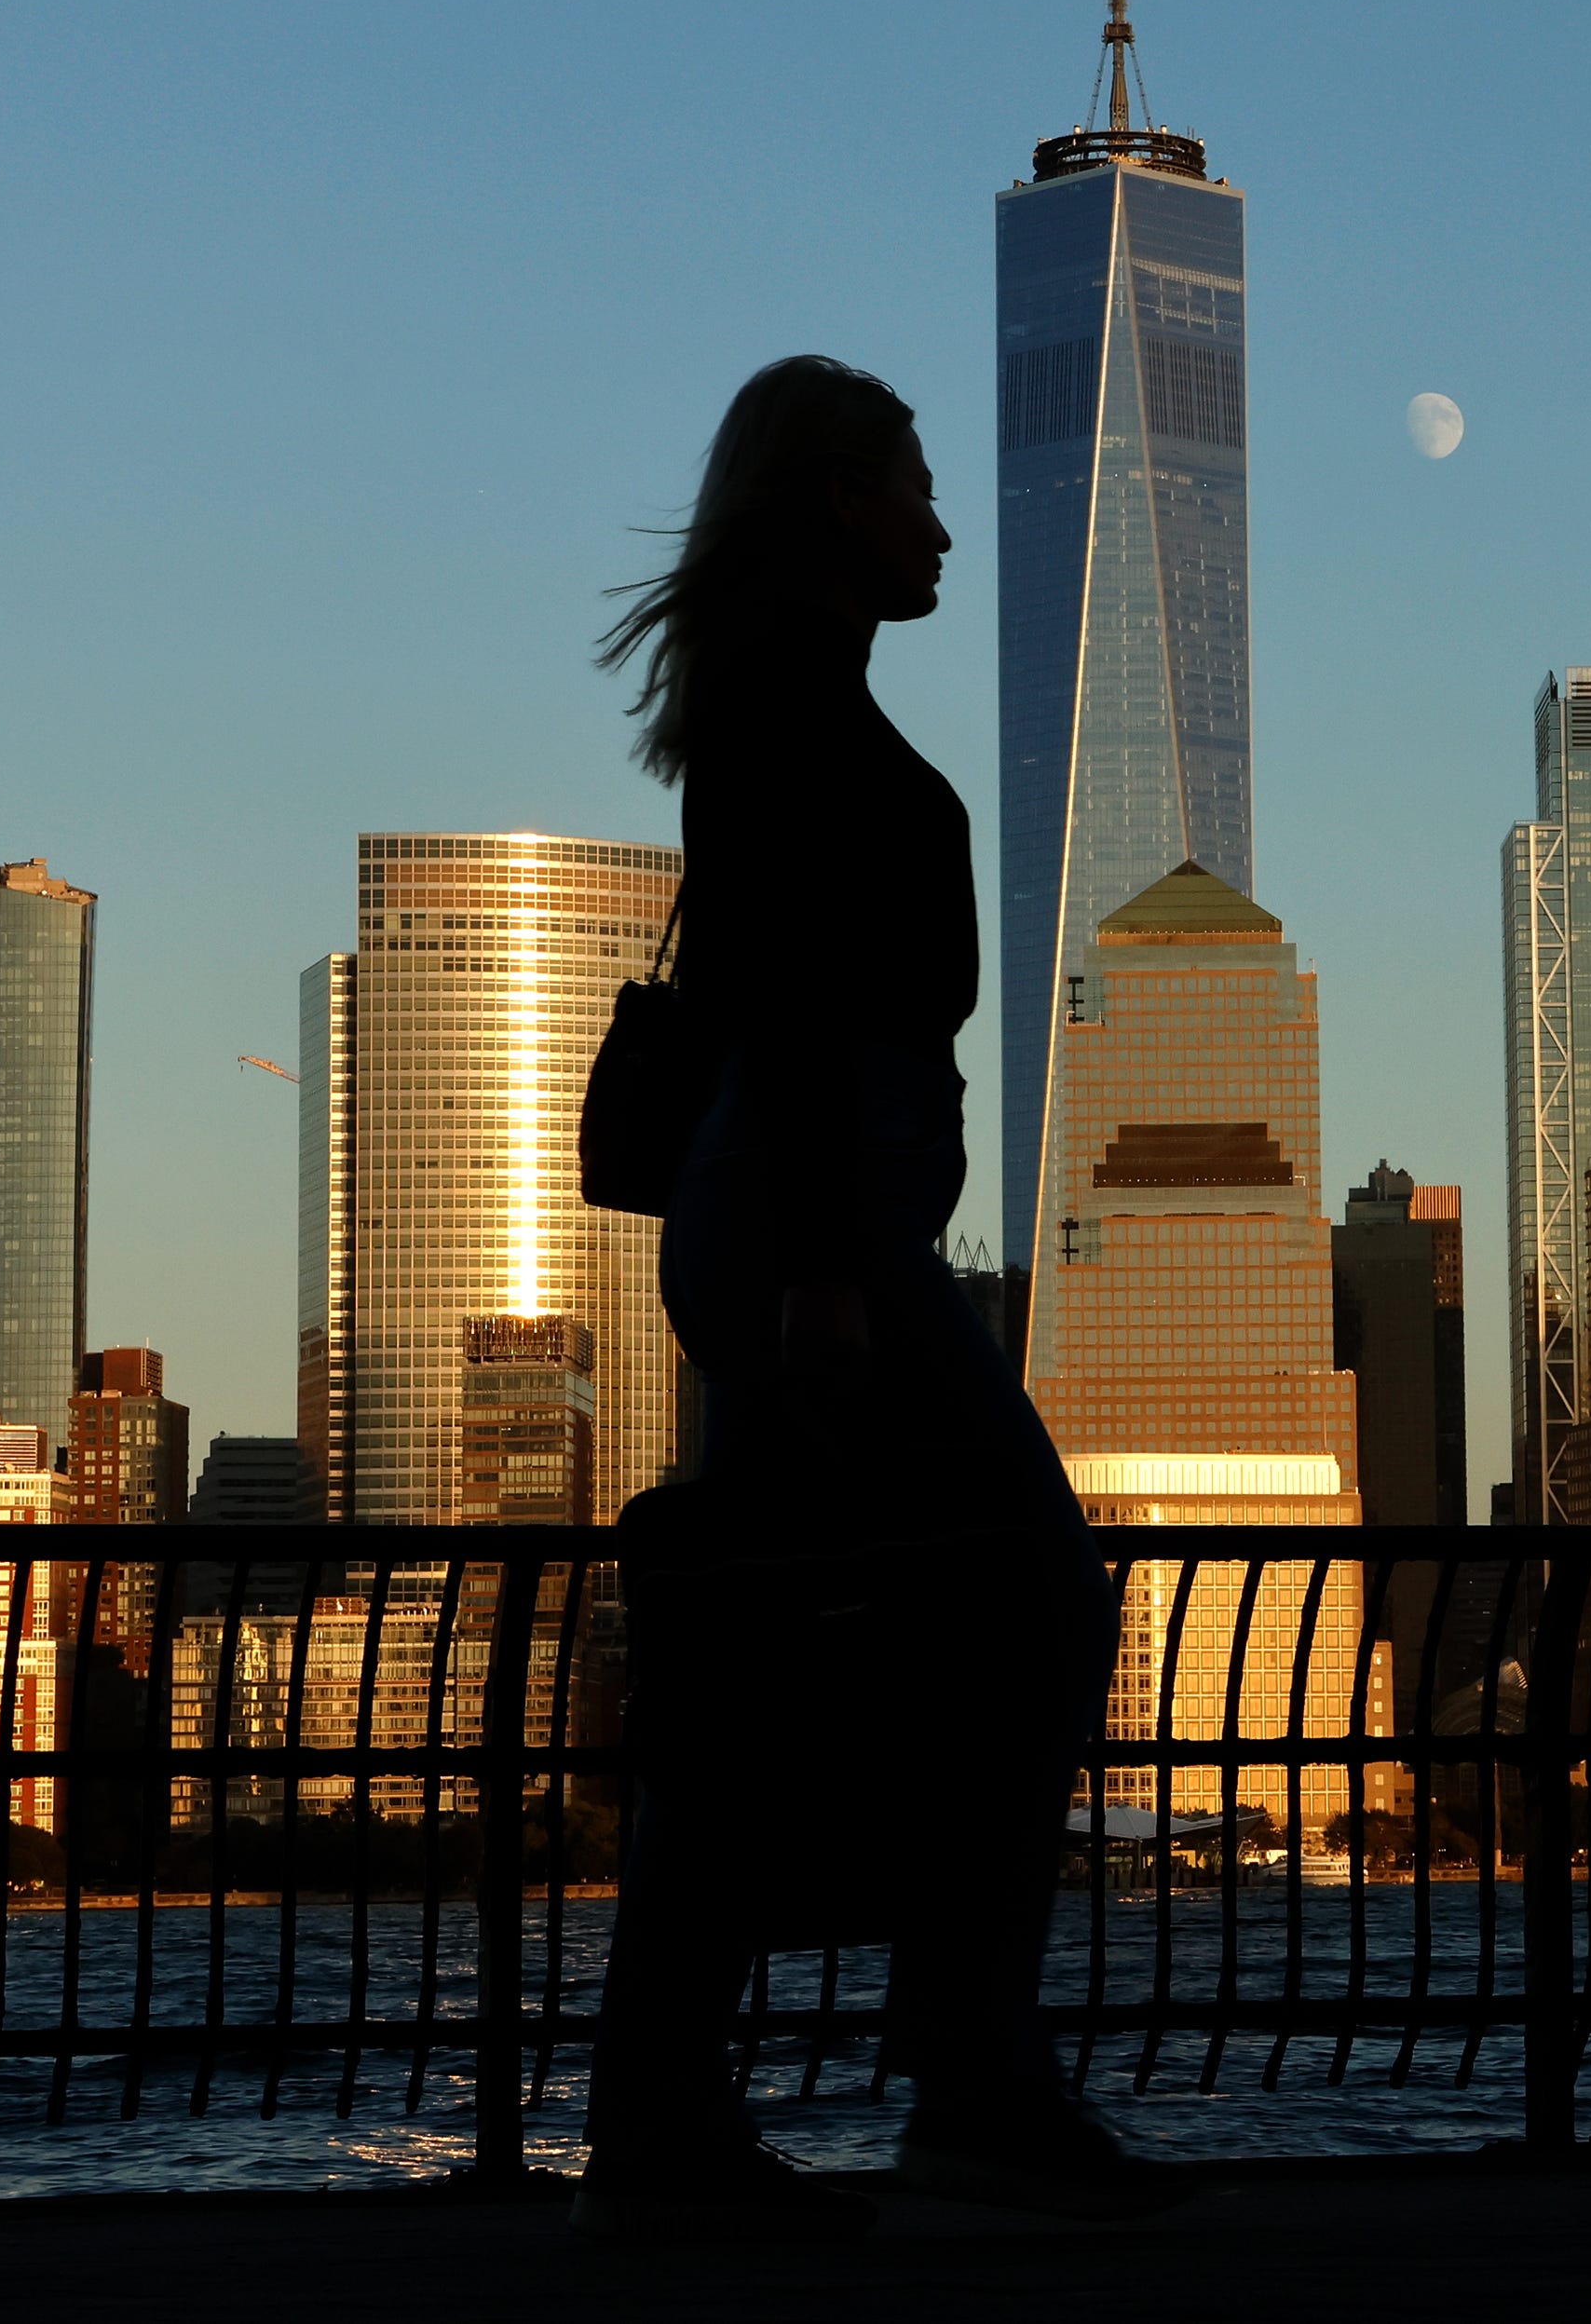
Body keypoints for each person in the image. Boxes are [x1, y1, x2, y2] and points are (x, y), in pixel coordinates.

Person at [577, 356, 1183, 2243]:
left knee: (771, 1650)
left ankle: (681, 2110)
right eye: (912, 488)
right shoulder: (788, 713)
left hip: (805, 1220)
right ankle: (962, 2069)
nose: (936, 523)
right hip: (808, 1229)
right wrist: (835, 1286)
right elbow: (808, 1014)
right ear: (838, 497)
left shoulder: (795, 701)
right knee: (1037, 1588)